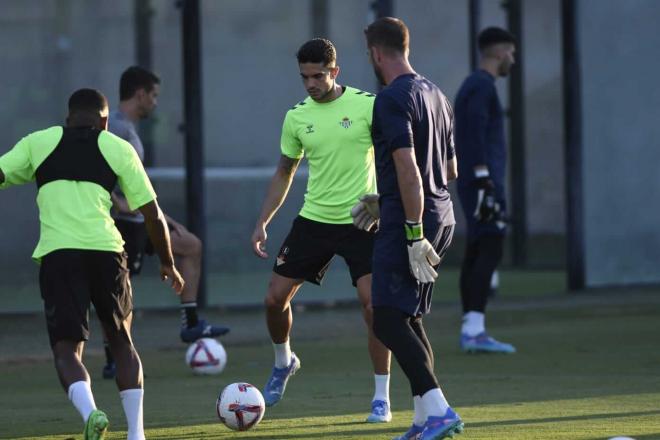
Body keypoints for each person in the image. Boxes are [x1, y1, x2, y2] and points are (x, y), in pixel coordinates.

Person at [0, 88, 184, 440]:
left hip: (60, 255)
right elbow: (153, 214)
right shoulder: (117, 147)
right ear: (105, 120)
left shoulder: (39, 142)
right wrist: (167, 263)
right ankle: (136, 434)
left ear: (67, 118)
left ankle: (91, 413)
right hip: (108, 253)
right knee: (121, 342)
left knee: (67, 351)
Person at [250, 38, 393, 422]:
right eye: (304, 77)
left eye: (318, 75)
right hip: (314, 219)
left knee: (374, 306)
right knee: (273, 299)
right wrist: (263, 220)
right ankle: (284, 361)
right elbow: (285, 172)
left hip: (362, 221)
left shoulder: (368, 105)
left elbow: (394, 157)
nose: (311, 83)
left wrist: (382, 198)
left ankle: (381, 396)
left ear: (335, 71)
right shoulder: (296, 117)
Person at [359, 17, 464, 440]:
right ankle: (424, 420)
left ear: (376, 53)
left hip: (413, 221)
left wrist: (411, 230)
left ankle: (439, 409)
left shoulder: (390, 98)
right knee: (410, 316)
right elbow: (449, 170)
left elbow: (408, 167)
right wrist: (381, 199)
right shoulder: (437, 94)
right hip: (443, 214)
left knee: (384, 318)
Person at [101, 66, 229, 379]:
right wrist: (115, 201)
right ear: (140, 94)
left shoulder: (128, 127)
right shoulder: (116, 127)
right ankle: (113, 358)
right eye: (154, 96)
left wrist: (166, 219)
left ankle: (190, 321)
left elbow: (137, 186)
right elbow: (100, 168)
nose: (155, 103)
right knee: (120, 289)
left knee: (189, 245)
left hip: (139, 219)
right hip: (121, 224)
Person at [454, 27, 517, 354]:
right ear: (498, 52)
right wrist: (483, 179)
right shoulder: (481, 86)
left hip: (477, 180)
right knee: (490, 244)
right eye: (510, 52)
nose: (512, 59)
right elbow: (473, 132)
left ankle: (472, 327)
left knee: (479, 247)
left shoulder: (475, 85)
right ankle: (474, 330)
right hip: (483, 182)